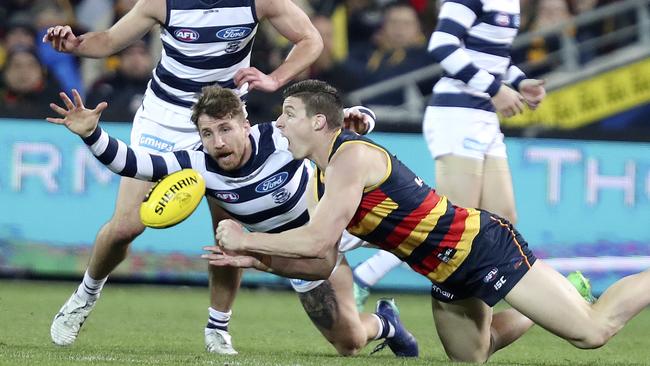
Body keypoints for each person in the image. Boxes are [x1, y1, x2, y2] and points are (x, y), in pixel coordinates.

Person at [206, 79, 650, 363]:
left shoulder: (352, 157)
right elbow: (322, 262)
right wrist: (256, 260)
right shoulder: (322, 179)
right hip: (444, 273)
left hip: (480, 247)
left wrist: (248, 239)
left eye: (288, 115)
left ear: (319, 121)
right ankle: (566, 290)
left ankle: (574, 298)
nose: (278, 125)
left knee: (592, 333)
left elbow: (316, 237)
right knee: (474, 356)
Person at [45, 86, 418, 358]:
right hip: (297, 252)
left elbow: (329, 116)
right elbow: (133, 163)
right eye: (207, 133)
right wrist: (92, 134)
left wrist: (361, 117)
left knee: (424, 240)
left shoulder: (280, 138)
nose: (218, 141)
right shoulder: (196, 166)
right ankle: (386, 323)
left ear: (245, 124)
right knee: (348, 343)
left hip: (346, 224)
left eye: (225, 129)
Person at [43, 0, 323, 354]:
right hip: (165, 116)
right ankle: (84, 296)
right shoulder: (162, 3)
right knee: (127, 226)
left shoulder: (258, 1)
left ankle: (218, 327)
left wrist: (275, 79)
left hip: (222, 121)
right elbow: (111, 40)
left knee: (228, 230)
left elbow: (311, 39)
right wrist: (75, 44)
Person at [351, 0, 549, 310]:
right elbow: (442, 43)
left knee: (503, 219)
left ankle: (368, 271)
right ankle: (364, 273)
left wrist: (520, 80)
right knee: (452, 227)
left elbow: (492, 57)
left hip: (483, 116)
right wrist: (495, 89)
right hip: (457, 114)